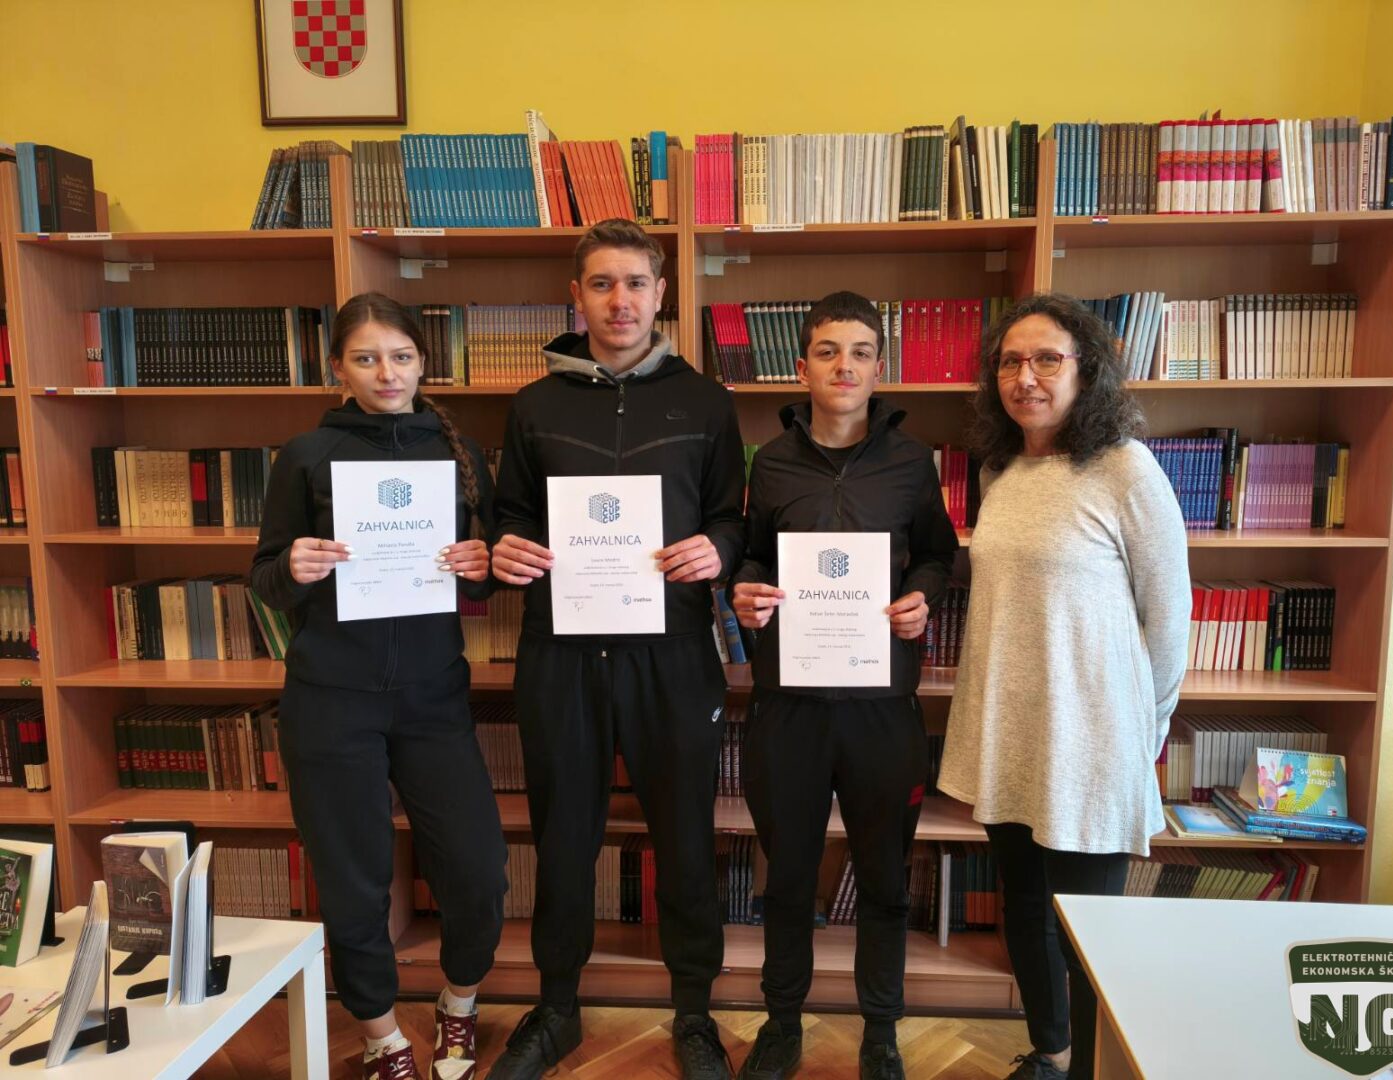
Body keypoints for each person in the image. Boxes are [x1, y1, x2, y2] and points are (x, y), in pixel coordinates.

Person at [486, 219, 746, 1080]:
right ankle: (557, 1007)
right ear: (577, 296)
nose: (620, 300)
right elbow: (511, 514)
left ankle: (695, 1012)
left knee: (685, 835)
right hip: (562, 652)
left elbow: (732, 517)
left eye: (635, 283)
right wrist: (508, 547)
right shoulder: (535, 405)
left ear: (660, 293)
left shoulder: (704, 402)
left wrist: (719, 550)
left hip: (673, 652)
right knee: (563, 837)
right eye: (601, 283)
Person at [252, 292, 508, 1080]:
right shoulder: (305, 454)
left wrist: (480, 565)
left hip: (433, 696)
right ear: (338, 367)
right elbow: (265, 578)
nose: (386, 373)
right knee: (353, 882)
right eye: (365, 358)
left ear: (423, 361)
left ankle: (460, 1005)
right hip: (331, 699)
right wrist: (293, 566)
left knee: (477, 869)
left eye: (400, 356)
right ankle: (381, 1036)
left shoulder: (458, 453)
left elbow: (483, 577)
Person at [937, 293, 1190, 1080]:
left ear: (1088, 370)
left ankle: (1093, 1070)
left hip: (1094, 739)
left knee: (1088, 933)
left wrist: (1142, 731)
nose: (1026, 377)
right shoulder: (999, 469)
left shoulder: (1126, 468)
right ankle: (1051, 1052)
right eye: (1010, 361)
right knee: (1023, 908)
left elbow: (1169, 612)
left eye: (1047, 358)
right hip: (1009, 730)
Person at [728, 290, 959, 1080]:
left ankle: (881, 1031)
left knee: (886, 880)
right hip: (787, 707)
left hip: (882, 709)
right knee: (788, 878)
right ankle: (781, 1022)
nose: (845, 366)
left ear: (878, 367)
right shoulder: (771, 462)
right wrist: (745, 590)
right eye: (828, 351)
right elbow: (753, 554)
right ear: (803, 366)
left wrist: (921, 595)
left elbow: (939, 554)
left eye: (860, 352)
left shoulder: (911, 462)